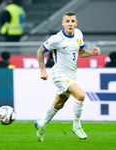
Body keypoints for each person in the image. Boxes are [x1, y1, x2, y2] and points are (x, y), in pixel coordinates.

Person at [34, 11, 100, 142]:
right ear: (63, 23)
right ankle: (76, 126)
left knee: (58, 104)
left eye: (72, 21)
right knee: (80, 95)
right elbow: (40, 51)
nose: (70, 24)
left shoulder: (79, 34)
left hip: (71, 76)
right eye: (67, 21)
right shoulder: (56, 39)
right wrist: (42, 70)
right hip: (59, 75)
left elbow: (81, 53)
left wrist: (92, 54)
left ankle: (41, 124)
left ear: (76, 23)